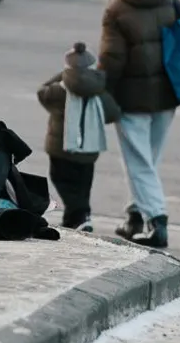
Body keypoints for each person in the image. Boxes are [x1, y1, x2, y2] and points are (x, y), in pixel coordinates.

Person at [98, 0, 180, 249]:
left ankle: (157, 220)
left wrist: (103, 93)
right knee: (148, 160)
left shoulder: (117, 9)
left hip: (132, 98)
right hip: (168, 94)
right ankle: (135, 216)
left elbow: (112, 60)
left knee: (139, 161)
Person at [37, 43, 121, 231]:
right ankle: (74, 218)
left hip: (61, 147)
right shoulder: (99, 91)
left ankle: (80, 215)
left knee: (61, 180)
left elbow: (42, 92)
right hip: (89, 148)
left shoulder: (59, 90)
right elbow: (113, 114)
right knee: (82, 186)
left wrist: (65, 75)